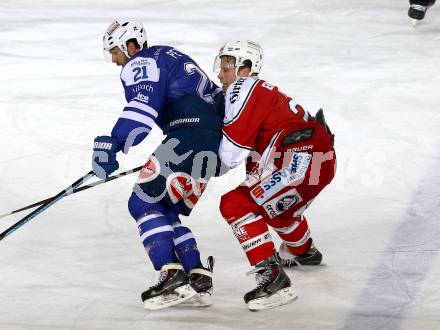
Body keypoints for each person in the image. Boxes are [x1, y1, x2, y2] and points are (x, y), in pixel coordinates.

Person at [92, 20, 224, 310]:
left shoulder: (141, 62)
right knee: (164, 208)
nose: (115, 60)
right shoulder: (169, 55)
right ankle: (196, 273)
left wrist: (113, 143)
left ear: (131, 45)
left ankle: (171, 272)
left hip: (188, 136)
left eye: (114, 51)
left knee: (141, 203)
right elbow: (216, 102)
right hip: (208, 142)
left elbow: (142, 110)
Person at [214, 40, 336, 310]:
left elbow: (230, 155)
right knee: (275, 209)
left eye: (226, 68)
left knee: (235, 204)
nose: (220, 75)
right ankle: (305, 251)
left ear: (245, 69)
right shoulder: (267, 96)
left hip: (300, 158)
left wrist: (194, 158)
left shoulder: (243, 87)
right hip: (321, 160)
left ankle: (272, 279)